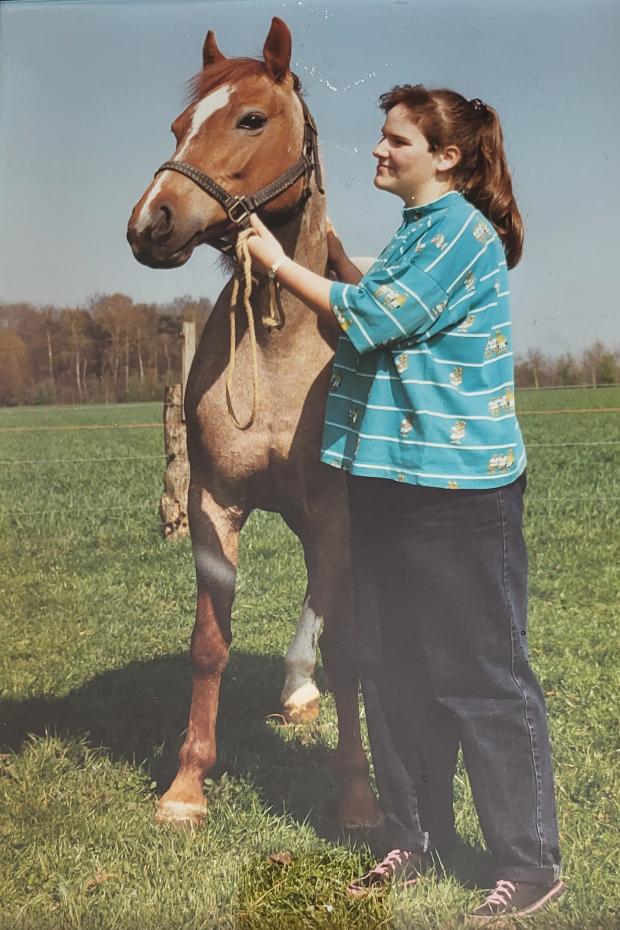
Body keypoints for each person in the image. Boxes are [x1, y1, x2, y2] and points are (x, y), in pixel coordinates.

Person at [246, 84, 565, 921]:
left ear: (447, 158)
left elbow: (377, 319)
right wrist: (345, 265)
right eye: (382, 138)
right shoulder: (418, 233)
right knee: (392, 670)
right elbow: (382, 315)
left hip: (459, 495)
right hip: (387, 481)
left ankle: (529, 866)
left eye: (397, 141)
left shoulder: (463, 231)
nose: (379, 152)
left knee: (482, 679)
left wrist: (283, 266)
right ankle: (413, 840)